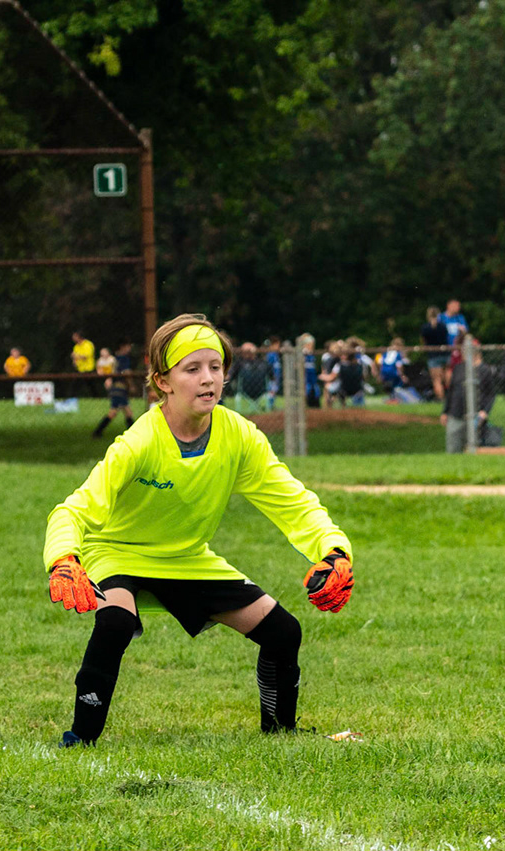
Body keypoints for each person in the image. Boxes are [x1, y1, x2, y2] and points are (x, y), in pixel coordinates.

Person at [44, 314, 354, 746]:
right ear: (162, 382)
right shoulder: (139, 442)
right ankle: (81, 738)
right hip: (118, 553)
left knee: (284, 632)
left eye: (215, 366)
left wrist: (335, 550)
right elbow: (74, 510)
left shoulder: (239, 435)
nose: (208, 378)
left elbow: (293, 502)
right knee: (115, 621)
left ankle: (281, 734)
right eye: (192, 369)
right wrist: (63, 558)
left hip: (188, 558)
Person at [443, 339, 496, 454]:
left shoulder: (484, 370)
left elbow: (490, 394)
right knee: (453, 448)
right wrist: (445, 411)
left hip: (474, 415)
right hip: (455, 413)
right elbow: (451, 391)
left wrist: (485, 411)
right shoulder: (458, 368)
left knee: (472, 448)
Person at [420, 307, 451, 402]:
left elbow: (423, 341)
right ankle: (451, 395)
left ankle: (441, 398)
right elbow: (447, 338)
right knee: (447, 374)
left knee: (436, 379)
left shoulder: (425, 327)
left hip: (433, 355)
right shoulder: (443, 326)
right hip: (445, 353)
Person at [230, 342, 270, 414]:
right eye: (246, 351)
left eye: (249, 351)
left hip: (259, 390)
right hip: (246, 390)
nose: (247, 353)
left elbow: (272, 376)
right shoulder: (239, 363)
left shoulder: (262, 362)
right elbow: (230, 375)